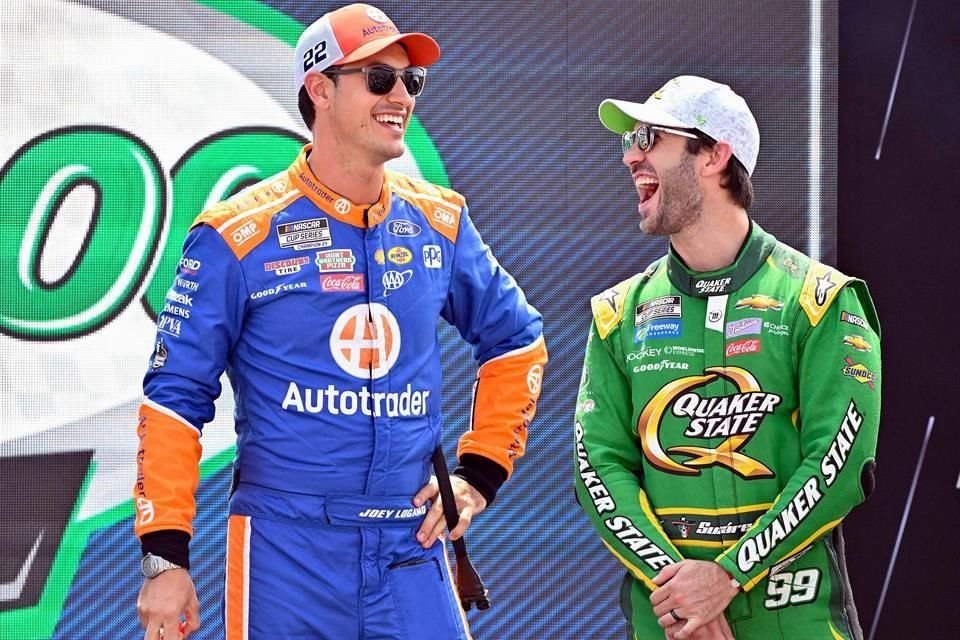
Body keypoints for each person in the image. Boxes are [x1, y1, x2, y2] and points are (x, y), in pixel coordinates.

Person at [133, 4, 547, 639]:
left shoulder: (440, 221)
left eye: (412, 81)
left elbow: (516, 340)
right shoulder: (235, 235)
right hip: (286, 549)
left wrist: (479, 475)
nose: (401, 96)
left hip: (413, 541)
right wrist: (165, 559)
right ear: (320, 89)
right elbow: (175, 397)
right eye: (379, 79)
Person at [574, 75, 880, 640]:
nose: (630, 157)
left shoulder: (819, 302)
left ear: (715, 154)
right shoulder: (617, 316)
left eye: (649, 138)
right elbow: (598, 467)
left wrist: (728, 576)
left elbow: (839, 466)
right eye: (629, 141)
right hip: (670, 623)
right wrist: (681, 588)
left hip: (798, 621)